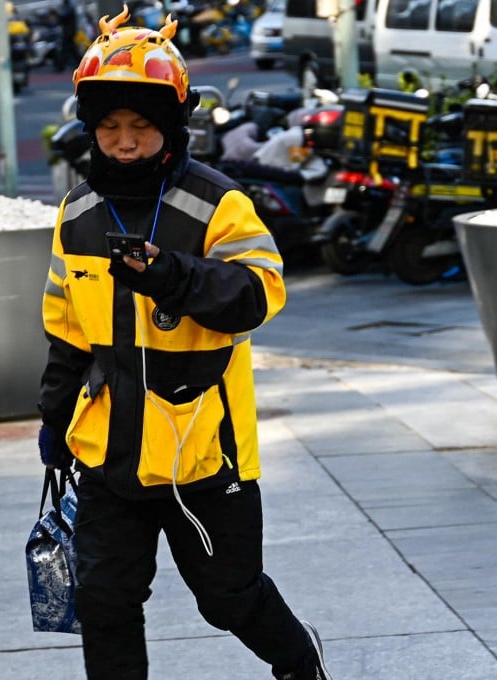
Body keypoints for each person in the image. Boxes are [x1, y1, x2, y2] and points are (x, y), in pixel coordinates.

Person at [37, 8, 334, 680]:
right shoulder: (78, 213)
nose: (124, 141)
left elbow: (258, 296)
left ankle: (298, 659)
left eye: (140, 126)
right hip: (109, 449)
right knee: (105, 599)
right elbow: (65, 326)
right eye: (110, 126)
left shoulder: (217, 204)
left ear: (170, 126)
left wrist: (172, 276)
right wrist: (54, 418)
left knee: (227, 597)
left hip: (203, 449)